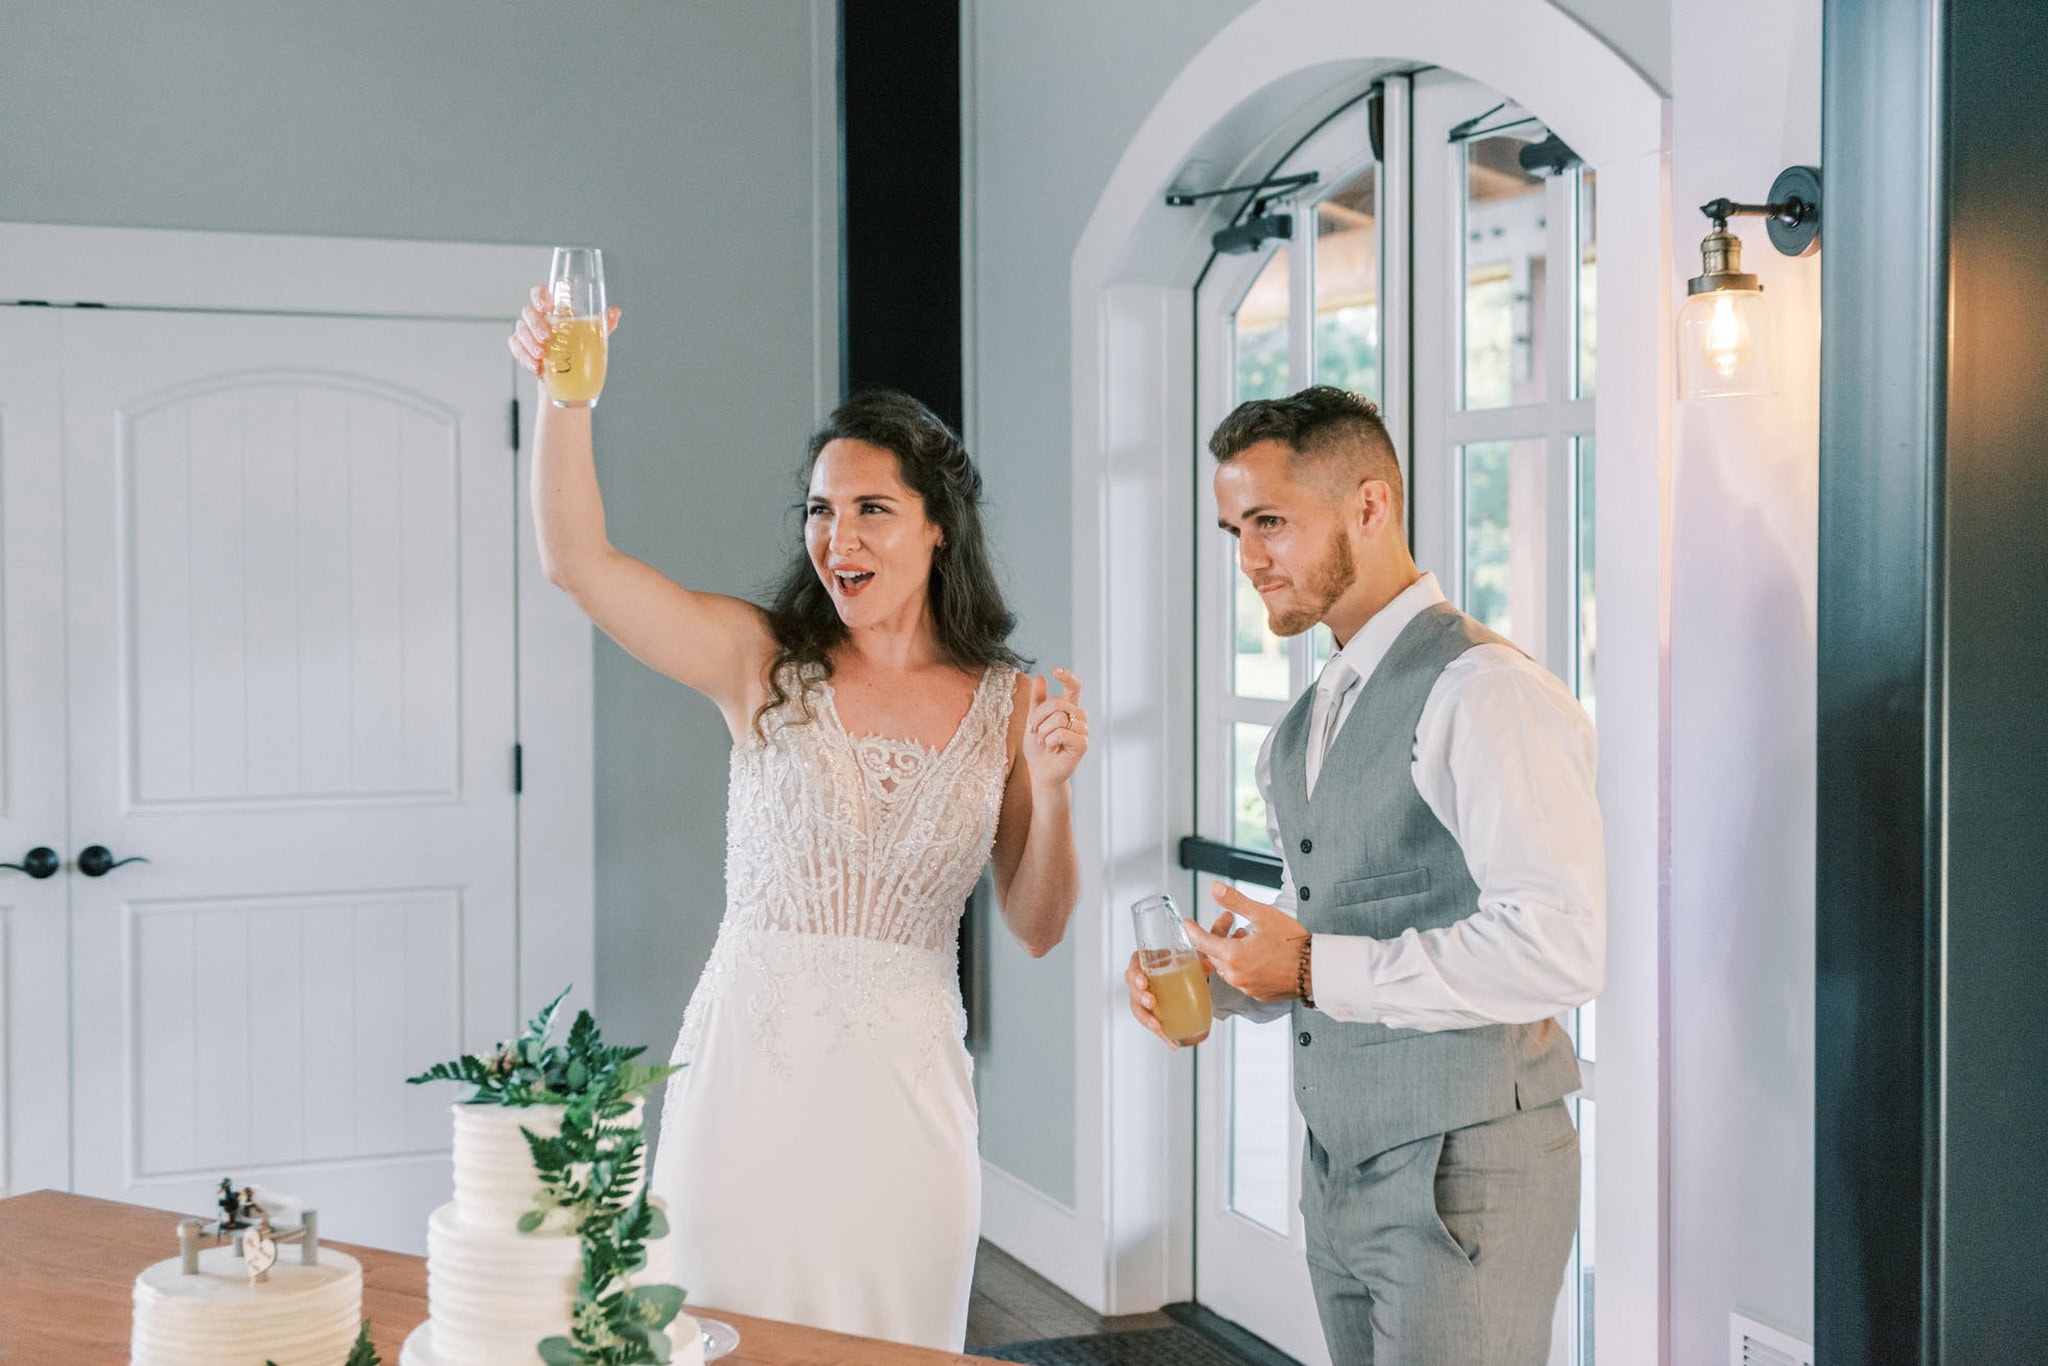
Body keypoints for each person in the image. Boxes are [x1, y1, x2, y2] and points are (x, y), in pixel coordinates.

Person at [508, 292, 1087, 1350]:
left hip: (906, 1102)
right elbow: (576, 561)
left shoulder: (1010, 705)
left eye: (869, 507)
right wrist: (561, 391)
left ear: (935, 525)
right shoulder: (760, 662)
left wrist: (1049, 792)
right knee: (720, 1333)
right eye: (819, 510)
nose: (837, 536)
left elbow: (1039, 925)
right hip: (746, 1090)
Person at [1126, 386, 1603, 1365]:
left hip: (1465, 1172)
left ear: (1369, 507)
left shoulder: (1486, 692)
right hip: (1337, 1169)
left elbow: (1557, 944)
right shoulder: (1305, 722)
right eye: (1233, 529)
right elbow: (1339, 925)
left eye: (1269, 523)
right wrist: (1227, 979)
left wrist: (1303, 969)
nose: (1247, 558)